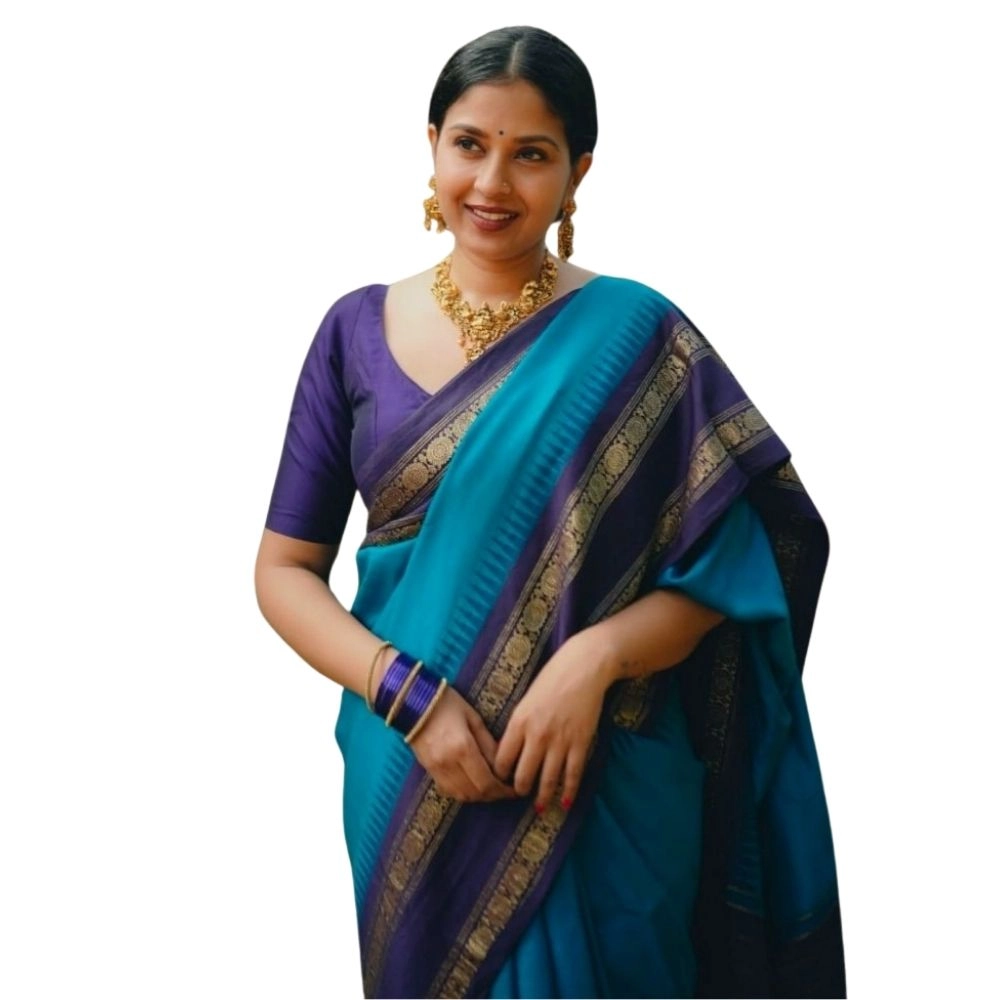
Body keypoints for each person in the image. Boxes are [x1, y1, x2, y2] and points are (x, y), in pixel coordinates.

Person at [254, 25, 845, 1000]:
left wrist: (593, 659)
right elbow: (283, 571)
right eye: (469, 144)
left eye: (530, 154)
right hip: (411, 779)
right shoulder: (352, 333)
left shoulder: (640, 336)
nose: (492, 182)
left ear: (578, 173)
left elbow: (737, 566)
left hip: (603, 782)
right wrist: (405, 695)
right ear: (432, 145)